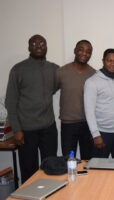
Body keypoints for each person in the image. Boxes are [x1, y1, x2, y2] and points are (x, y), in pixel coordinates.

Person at [5, 34, 59, 183]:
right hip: (26, 130)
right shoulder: (18, 69)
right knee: (29, 169)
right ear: (29, 47)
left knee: (51, 167)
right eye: (34, 44)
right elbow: (10, 101)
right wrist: (17, 129)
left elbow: (56, 87)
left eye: (42, 43)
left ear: (46, 46)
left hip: (49, 127)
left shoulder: (54, 69)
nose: (39, 46)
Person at [84, 49, 114, 158]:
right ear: (103, 61)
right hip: (102, 133)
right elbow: (89, 111)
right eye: (109, 60)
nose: (113, 64)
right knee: (99, 169)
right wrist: (95, 135)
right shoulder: (92, 82)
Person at [55, 40, 95, 160]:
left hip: (88, 125)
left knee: (88, 161)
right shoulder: (61, 72)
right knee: (68, 160)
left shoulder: (94, 74)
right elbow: (51, 90)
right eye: (81, 49)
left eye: (88, 51)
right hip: (68, 125)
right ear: (75, 50)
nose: (84, 53)